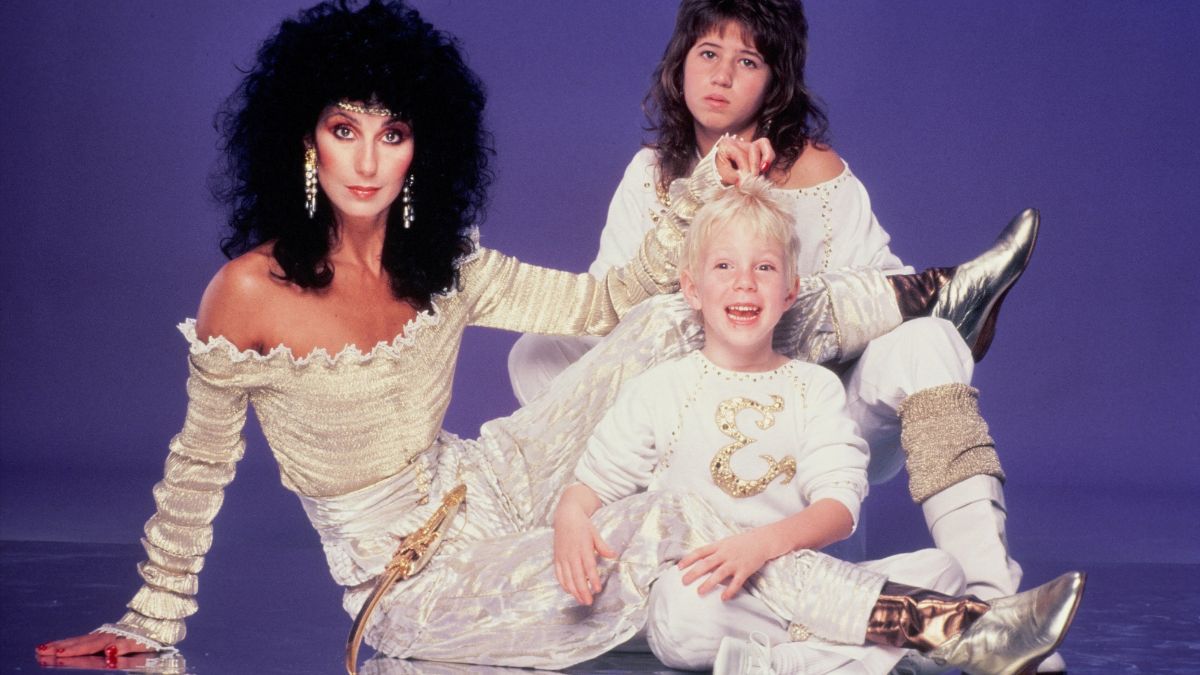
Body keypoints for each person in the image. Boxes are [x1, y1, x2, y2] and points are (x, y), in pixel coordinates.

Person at [33, 1, 1064, 673]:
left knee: (670, 314)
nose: (367, 160)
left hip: (492, 481)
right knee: (674, 514)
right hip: (410, 579)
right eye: (343, 129)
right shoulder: (246, 294)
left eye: (393, 134)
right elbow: (196, 468)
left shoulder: (445, 259)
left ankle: (932, 294)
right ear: (302, 139)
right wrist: (150, 622)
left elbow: (601, 302)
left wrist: (708, 187)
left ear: (418, 148)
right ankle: (956, 629)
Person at [508, 3, 1055, 668]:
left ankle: (995, 610)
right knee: (539, 355)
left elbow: (865, 303)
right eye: (708, 53)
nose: (722, 76)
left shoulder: (819, 175)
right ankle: (909, 619)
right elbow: (615, 314)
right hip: (686, 423)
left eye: (748, 61)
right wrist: (707, 208)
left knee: (931, 341)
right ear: (680, 61)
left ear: (776, 81)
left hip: (808, 420)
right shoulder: (650, 174)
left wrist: (772, 220)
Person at [553, 179, 1083, 675]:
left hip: (796, 576)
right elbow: (589, 489)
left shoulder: (813, 388)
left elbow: (838, 509)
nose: (744, 282)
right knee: (678, 613)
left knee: (943, 571)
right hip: (713, 595)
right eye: (723, 267)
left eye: (764, 268)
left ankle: (786, 659)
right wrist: (570, 522)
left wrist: (759, 547)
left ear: (790, 291)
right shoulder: (658, 388)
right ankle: (930, 633)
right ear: (691, 288)